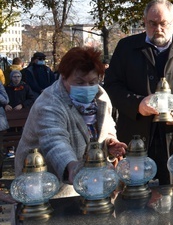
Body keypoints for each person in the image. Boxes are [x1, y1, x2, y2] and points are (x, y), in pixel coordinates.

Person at [104, 0, 173, 185]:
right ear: (144, 22)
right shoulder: (126, 47)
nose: (158, 28)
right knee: (134, 197)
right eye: (152, 24)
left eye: (164, 23)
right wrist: (138, 104)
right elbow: (112, 86)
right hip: (136, 134)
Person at [14, 47, 127, 196]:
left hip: (91, 181)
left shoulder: (100, 96)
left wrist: (110, 142)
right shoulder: (49, 103)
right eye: (79, 82)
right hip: (44, 185)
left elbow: (106, 125)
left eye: (92, 81)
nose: (87, 87)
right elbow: (54, 141)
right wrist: (72, 166)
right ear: (64, 76)